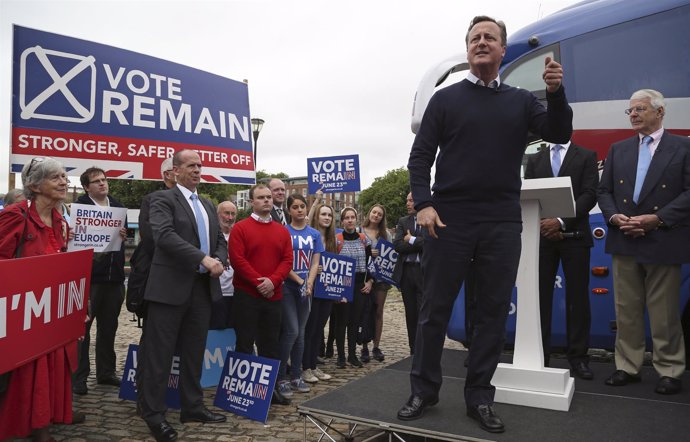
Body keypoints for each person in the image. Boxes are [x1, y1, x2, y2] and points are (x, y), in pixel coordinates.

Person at [397, 15, 572, 434]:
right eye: (474, 37)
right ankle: (424, 390)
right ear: (468, 48)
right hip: (448, 219)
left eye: (489, 37)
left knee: (492, 314)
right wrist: (423, 203)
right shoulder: (444, 100)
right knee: (434, 310)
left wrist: (555, 92)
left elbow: (559, 131)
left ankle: (479, 397)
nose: (480, 42)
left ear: (501, 49)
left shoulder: (522, 100)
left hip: (501, 221)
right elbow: (420, 158)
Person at [597, 89, 690, 395]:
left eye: (640, 109)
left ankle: (670, 369)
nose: (633, 114)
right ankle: (627, 366)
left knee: (664, 312)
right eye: (631, 111)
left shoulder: (683, 147)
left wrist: (657, 219)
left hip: (662, 237)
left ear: (660, 112)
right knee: (626, 310)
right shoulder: (618, 149)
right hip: (624, 238)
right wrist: (614, 218)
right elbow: (604, 191)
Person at [139, 149, 228, 442]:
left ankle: (192, 406)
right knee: (159, 355)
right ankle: (154, 415)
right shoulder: (161, 200)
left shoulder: (207, 203)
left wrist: (219, 258)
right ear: (175, 171)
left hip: (202, 290)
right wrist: (203, 259)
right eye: (191, 165)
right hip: (168, 290)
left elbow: (218, 240)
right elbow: (163, 236)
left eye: (200, 165)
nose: (197, 170)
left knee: (193, 352)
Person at [0, 157, 83, 441]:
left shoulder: (61, 220)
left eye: (64, 176)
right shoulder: (15, 215)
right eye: (56, 178)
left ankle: (42, 424)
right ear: (35, 185)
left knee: (51, 367)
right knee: (24, 371)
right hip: (21, 314)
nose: (64, 182)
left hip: (50, 313)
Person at [524, 140, 598, 379]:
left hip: (575, 237)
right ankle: (540, 356)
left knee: (577, 298)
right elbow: (530, 195)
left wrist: (561, 221)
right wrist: (546, 224)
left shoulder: (586, 155)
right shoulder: (536, 159)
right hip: (542, 237)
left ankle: (578, 358)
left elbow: (590, 194)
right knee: (540, 298)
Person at [229, 184, 293, 406]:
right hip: (247, 295)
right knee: (245, 343)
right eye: (261, 197)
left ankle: (270, 390)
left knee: (270, 345)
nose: (267, 200)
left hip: (273, 296)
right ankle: (243, 394)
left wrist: (273, 281)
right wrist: (259, 282)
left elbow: (287, 260)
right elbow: (238, 260)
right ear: (252, 202)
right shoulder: (240, 228)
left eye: (269, 197)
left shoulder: (282, 230)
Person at [72, 167, 127, 395]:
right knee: (82, 331)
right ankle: (79, 376)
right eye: (96, 182)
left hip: (114, 278)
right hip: (90, 279)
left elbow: (120, 240)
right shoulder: (79, 207)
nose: (102, 184)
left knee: (109, 327)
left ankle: (106, 372)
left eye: (104, 180)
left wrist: (124, 235)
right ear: (87, 187)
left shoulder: (116, 206)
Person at [277, 195, 324, 396]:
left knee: (301, 332)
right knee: (291, 331)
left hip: (307, 288)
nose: (299, 210)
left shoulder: (314, 234)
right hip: (288, 286)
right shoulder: (282, 232)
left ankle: (296, 374)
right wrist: (300, 281)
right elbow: (282, 263)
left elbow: (315, 262)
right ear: (289, 210)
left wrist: (310, 282)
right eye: (295, 207)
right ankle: (280, 377)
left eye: (302, 206)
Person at [333, 207, 374, 369]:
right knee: (341, 321)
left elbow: (371, 263)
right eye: (346, 218)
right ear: (342, 221)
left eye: (352, 217)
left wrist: (370, 281)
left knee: (354, 322)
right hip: (343, 285)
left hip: (359, 285)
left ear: (356, 219)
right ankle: (341, 356)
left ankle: (352, 354)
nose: (350, 220)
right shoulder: (336, 240)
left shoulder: (364, 239)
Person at [302, 203, 337, 382]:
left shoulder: (333, 240)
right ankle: (305, 367)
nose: (326, 217)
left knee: (319, 329)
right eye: (323, 214)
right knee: (310, 328)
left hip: (327, 290)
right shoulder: (309, 236)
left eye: (329, 215)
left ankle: (314, 366)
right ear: (317, 216)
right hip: (311, 287)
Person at [392, 193, 425, 356]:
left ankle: (424, 349)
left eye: (411, 200)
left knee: (423, 313)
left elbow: (431, 243)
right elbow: (397, 245)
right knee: (411, 313)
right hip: (406, 273)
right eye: (407, 200)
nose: (407, 203)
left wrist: (411, 239)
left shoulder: (428, 219)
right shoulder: (403, 221)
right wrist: (419, 243)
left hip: (424, 272)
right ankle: (413, 349)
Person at [359, 204, 392, 363]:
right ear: (369, 213)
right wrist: (368, 252)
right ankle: (364, 346)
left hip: (381, 279)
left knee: (378, 311)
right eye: (374, 212)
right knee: (365, 311)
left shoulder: (386, 235)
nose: (376, 215)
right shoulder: (360, 231)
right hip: (365, 277)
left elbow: (391, 255)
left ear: (382, 217)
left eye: (379, 214)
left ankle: (376, 346)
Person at [209, 200, 238, 330]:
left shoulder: (239, 235)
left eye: (233, 214)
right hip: (215, 293)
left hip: (235, 293)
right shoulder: (210, 235)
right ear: (217, 214)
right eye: (226, 213)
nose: (230, 217)